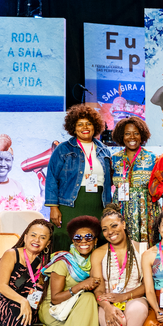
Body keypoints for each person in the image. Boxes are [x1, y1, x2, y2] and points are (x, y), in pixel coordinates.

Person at [91, 205, 149, 326]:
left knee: (138, 309)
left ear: (124, 224)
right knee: (117, 318)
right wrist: (107, 307)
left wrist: (124, 296)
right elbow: (97, 290)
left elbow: (147, 285)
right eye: (105, 229)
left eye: (114, 226)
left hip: (134, 297)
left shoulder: (142, 249)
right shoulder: (99, 253)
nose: (110, 232)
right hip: (107, 302)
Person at [39, 215, 102, 326]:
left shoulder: (95, 261)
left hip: (76, 308)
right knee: (88, 298)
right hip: (54, 310)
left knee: (89, 300)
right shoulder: (63, 261)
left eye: (88, 237)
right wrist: (81, 285)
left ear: (95, 241)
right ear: (73, 241)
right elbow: (55, 299)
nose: (83, 241)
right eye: (78, 238)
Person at [45, 104, 113, 252]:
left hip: (97, 204)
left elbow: (108, 181)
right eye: (80, 124)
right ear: (73, 128)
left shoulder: (104, 150)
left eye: (88, 123)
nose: (85, 127)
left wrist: (109, 206)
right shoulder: (63, 149)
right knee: (65, 239)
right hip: (69, 205)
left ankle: (94, 274)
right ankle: (60, 273)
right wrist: (53, 207)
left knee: (94, 240)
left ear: (95, 126)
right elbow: (51, 178)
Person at [111, 116, 159, 245]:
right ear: (121, 136)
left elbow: (160, 185)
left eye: (136, 133)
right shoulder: (114, 159)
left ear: (142, 135)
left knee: (145, 248)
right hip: (121, 209)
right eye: (127, 134)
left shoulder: (153, 158)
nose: (132, 137)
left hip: (145, 211)